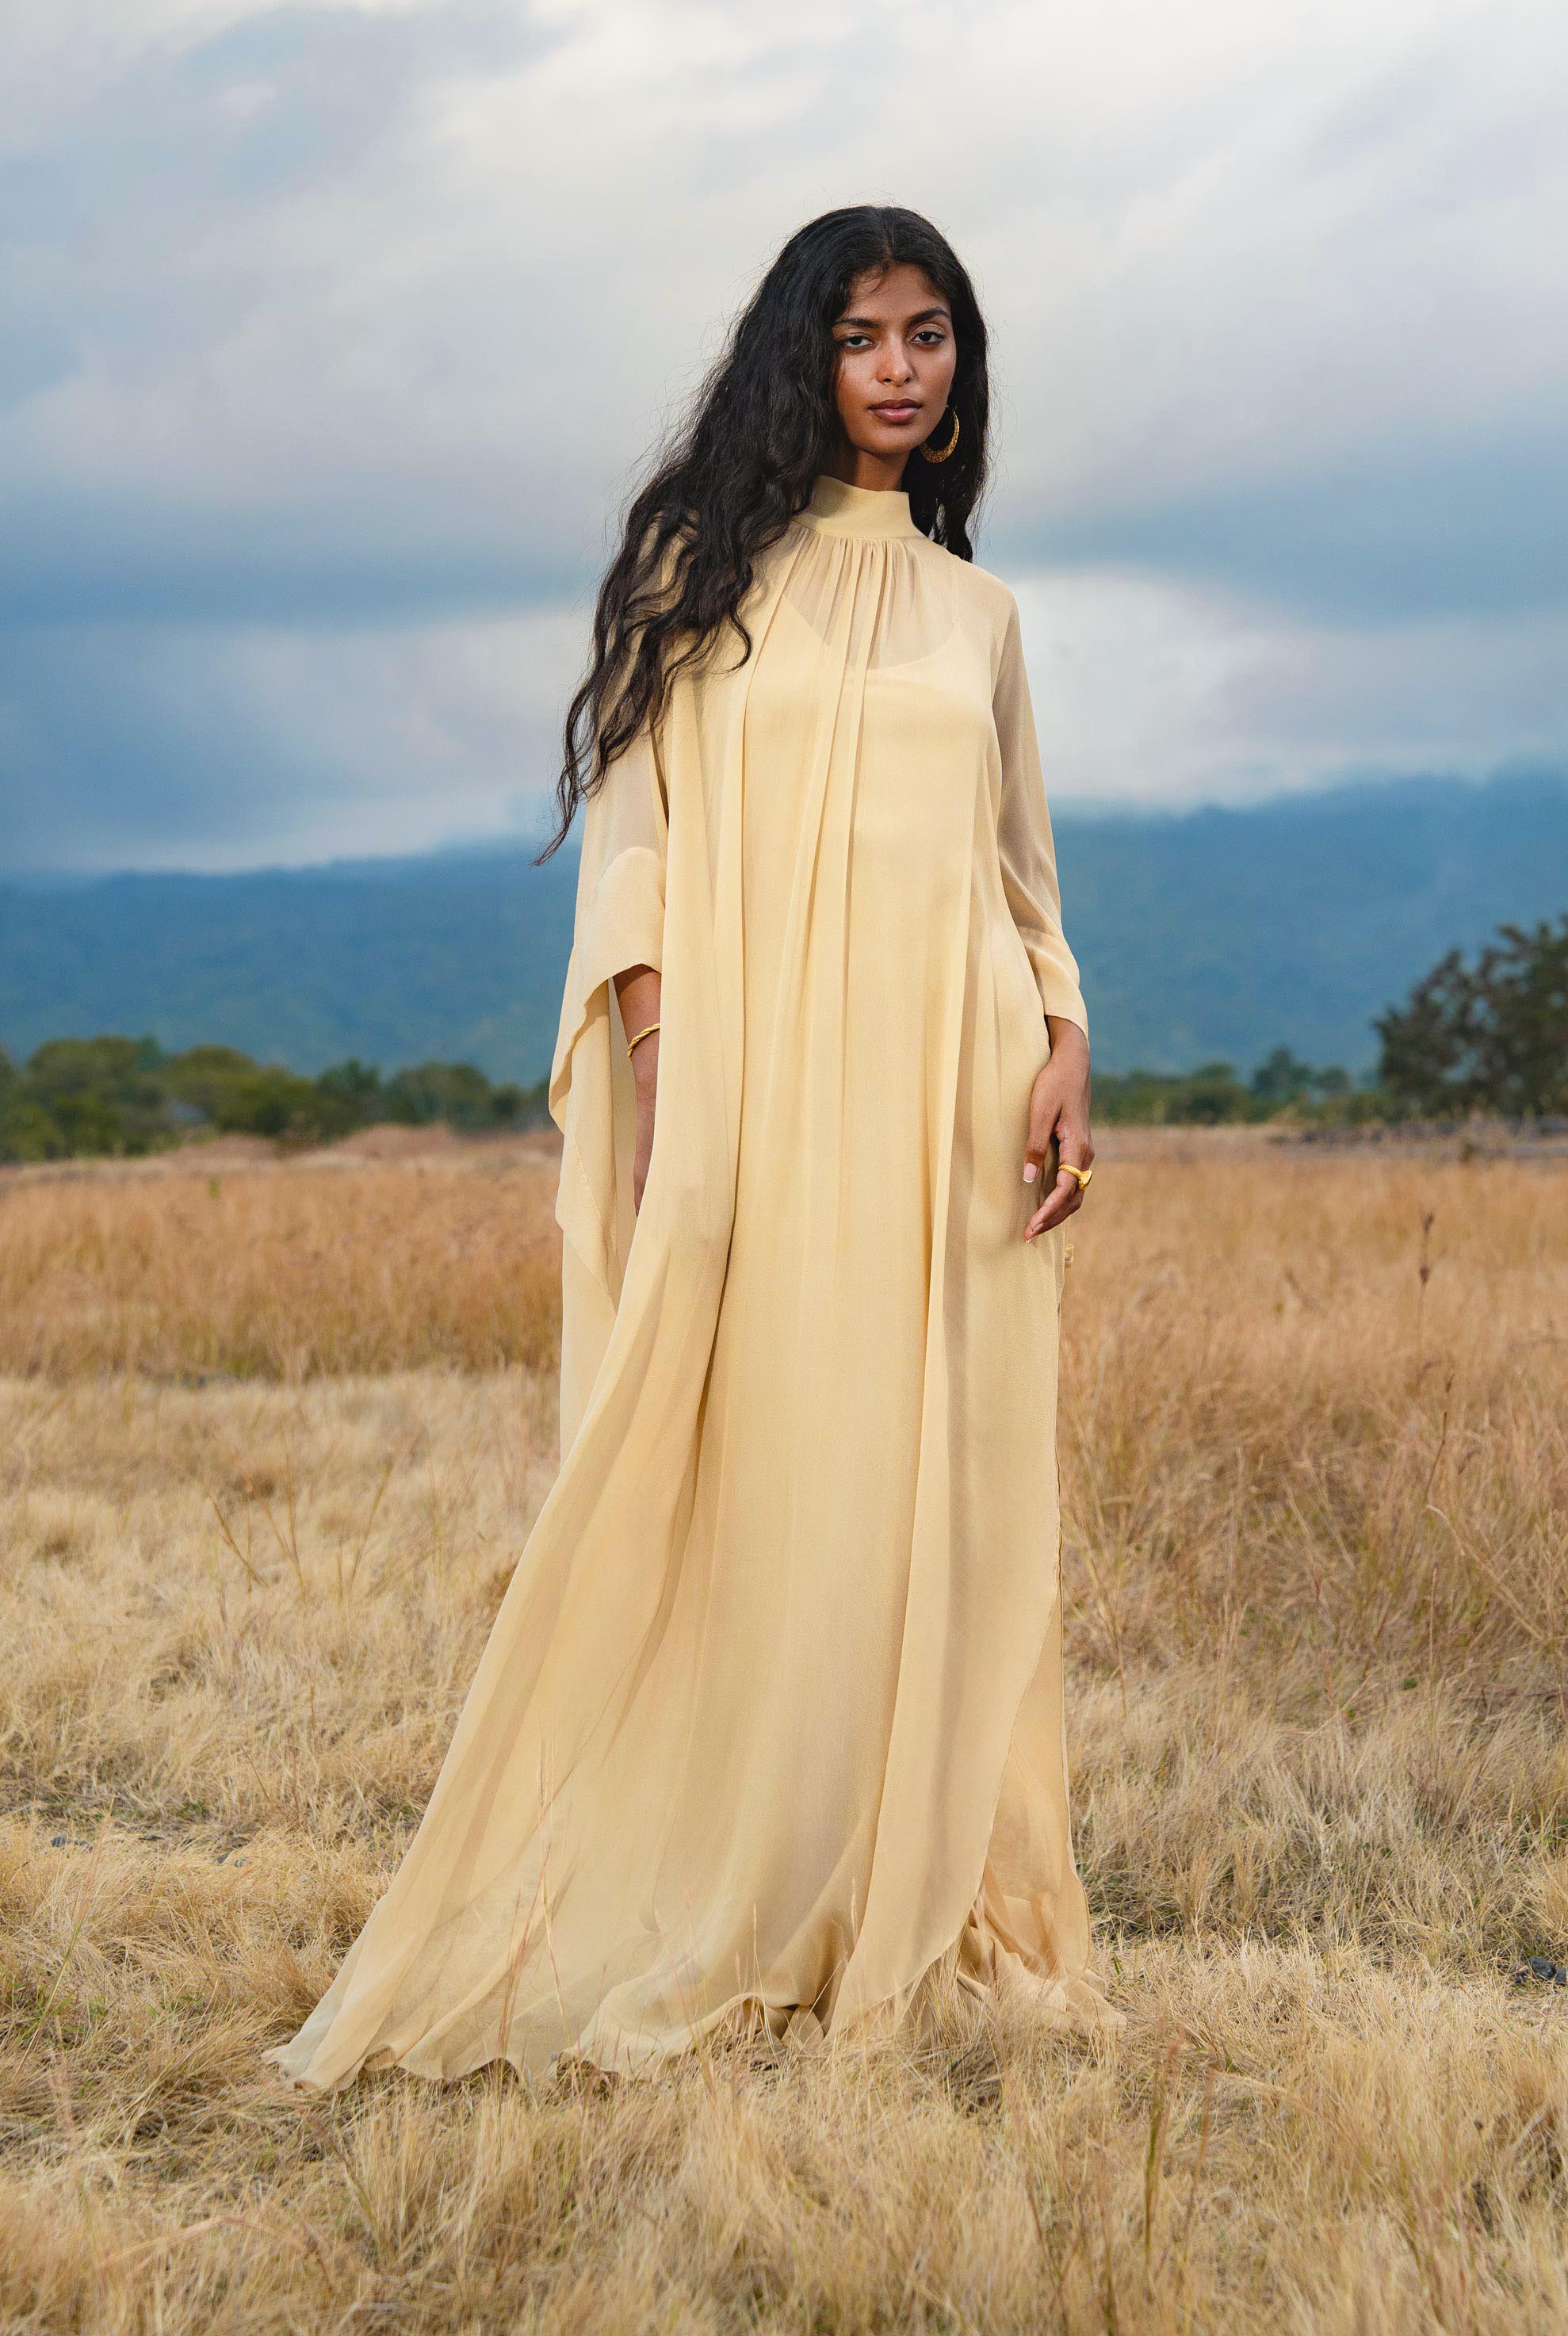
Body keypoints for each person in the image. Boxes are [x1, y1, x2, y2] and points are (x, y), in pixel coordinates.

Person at [267, 205, 1116, 2092]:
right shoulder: (694, 572)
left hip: (949, 1089)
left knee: (935, 1493)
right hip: (753, 1072)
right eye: (863, 335)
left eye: (930, 335)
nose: (901, 368)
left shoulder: (982, 618)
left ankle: (907, 1889)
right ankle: (737, 1875)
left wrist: (1063, 1039)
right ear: (798, 357)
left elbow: (1018, 865)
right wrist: (666, 1066)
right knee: (757, 1454)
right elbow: (638, 843)